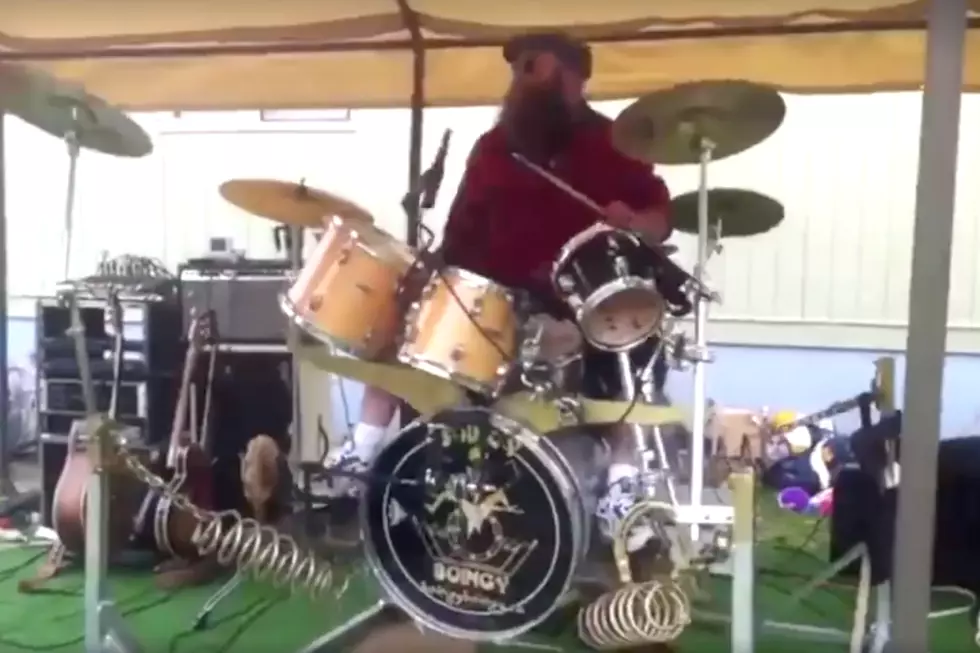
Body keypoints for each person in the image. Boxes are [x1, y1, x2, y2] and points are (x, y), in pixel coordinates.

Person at [324, 31, 673, 552]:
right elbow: (459, 234)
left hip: (578, 304)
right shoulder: (495, 147)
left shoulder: (616, 143)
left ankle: (621, 482)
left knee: (633, 337)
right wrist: (424, 277)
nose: (520, 79)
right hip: (493, 301)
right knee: (407, 303)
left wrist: (634, 221)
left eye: (534, 67)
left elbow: (661, 223)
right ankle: (365, 451)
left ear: (576, 78)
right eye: (518, 70)